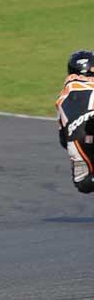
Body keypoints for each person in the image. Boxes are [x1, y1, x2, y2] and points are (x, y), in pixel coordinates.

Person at [56, 50, 94, 194]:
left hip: (76, 137)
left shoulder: (63, 96)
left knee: (82, 183)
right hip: (89, 125)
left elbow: (63, 140)